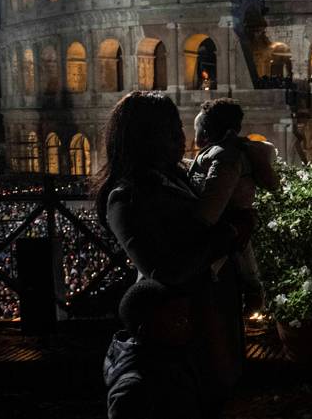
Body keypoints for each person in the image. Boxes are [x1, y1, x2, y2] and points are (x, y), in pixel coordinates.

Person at [94, 91, 251, 418]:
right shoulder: (125, 197)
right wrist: (227, 236)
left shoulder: (179, 178)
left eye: (179, 127)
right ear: (146, 137)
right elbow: (165, 269)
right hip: (176, 327)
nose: (182, 137)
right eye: (171, 130)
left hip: (210, 311)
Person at [190, 98, 279, 297]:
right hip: (234, 227)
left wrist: (195, 223)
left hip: (223, 231)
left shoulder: (224, 157)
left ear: (205, 132)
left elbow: (212, 206)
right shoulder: (231, 152)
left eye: (196, 128)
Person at [104, 279, 200, 419]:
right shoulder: (133, 389)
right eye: (178, 321)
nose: (188, 326)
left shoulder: (171, 360)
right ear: (147, 330)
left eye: (187, 318)